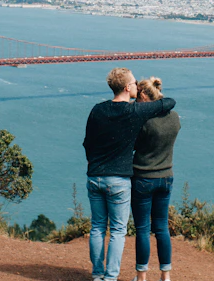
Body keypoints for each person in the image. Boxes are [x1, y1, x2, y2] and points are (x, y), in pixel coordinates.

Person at [83, 68, 176, 281]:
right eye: (134, 83)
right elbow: (169, 102)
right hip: (119, 180)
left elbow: (87, 142)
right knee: (117, 231)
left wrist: (94, 163)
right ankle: (111, 277)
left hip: (95, 176)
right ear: (127, 87)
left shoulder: (97, 109)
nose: (136, 86)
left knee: (97, 227)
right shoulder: (134, 113)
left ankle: (97, 275)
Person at [130, 77, 181, 281]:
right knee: (161, 227)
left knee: (142, 228)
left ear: (143, 95)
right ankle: (165, 276)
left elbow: (132, 144)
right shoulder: (175, 118)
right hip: (166, 177)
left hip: (143, 177)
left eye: (137, 98)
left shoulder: (144, 121)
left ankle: (142, 276)